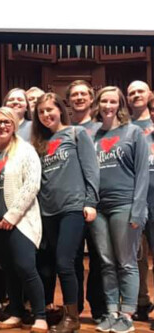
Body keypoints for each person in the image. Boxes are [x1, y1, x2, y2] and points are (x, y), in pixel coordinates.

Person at [0, 106, 47, 333]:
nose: (2, 126)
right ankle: (16, 311)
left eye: (7, 122)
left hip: (21, 222)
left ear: (14, 125)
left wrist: (11, 216)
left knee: (26, 267)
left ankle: (40, 315)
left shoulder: (26, 151)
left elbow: (32, 185)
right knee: (9, 270)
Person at [31, 93, 100, 332]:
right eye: (41, 112)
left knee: (65, 262)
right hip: (48, 211)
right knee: (51, 263)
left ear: (61, 109)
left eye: (50, 109)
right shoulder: (39, 144)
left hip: (73, 207)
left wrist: (91, 201)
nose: (46, 115)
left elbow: (91, 170)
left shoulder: (76, 134)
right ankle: (64, 310)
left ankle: (72, 318)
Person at [90, 86, 149, 333]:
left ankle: (127, 314)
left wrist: (138, 210)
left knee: (126, 263)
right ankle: (112, 310)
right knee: (106, 262)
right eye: (104, 100)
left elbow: (142, 174)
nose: (108, 105)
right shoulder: (93, 135)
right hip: (99, 209)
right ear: (98, 104)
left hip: (125, 204)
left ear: (120, 104)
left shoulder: (134, 133)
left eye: (113, 101)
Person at [65, 80, 106, 322]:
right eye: (74, 95)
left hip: (99, 202)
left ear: (91, 99)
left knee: (100, 258)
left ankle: (98, 305)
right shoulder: (65, 130)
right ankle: (76, 308)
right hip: (72, 204)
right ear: (68, 101)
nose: (79, 98)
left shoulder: (102, 128)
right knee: (74, 258)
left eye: (84, 94)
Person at [126, 80, 154, 322]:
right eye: (131, 92)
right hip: (135, 197)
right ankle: (141, 301)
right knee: (137, 255)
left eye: (140, 91)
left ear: (150, 94)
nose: (136, 95)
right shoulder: (125, 126)